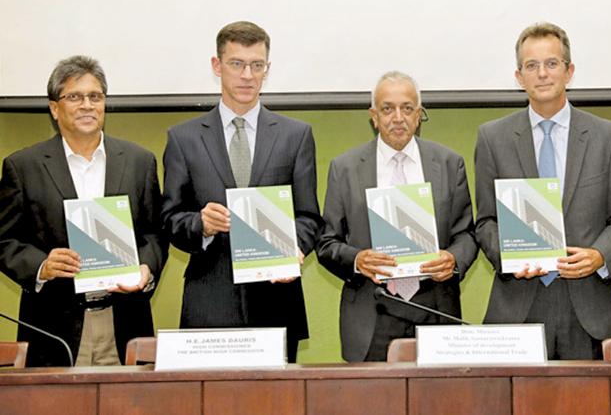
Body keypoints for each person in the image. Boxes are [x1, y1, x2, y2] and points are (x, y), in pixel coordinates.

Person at [161, 21, 322, 362]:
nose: (248, 75)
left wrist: (294, 248)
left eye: (257, 65)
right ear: (217, 66)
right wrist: (200, 225)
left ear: (267, 69)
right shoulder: (184, 139)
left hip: (277, 301)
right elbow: (170, 220)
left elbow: (308, 216)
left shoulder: (296, 136)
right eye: (237, 64)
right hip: (210, 302)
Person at [475, 22, 611, 359]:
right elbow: (486, 222)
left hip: (589, 306)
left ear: (569, 71)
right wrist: (509, 257)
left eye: (551, 63)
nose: (542, 74)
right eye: (531, 66)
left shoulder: (608, 137)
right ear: (519, 77)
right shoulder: (493, 138)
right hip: (519, 305)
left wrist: (599, 256)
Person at [0, 56, 164, 366]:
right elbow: (4, 241)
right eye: (75, 96)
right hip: (53, 327)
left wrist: (146, 268)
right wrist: (41, 265)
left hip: (124, 322)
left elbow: (155, 234)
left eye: (95, 96)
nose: (87, 105)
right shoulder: (23, 167)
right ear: (54, 108)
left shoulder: (139, 161)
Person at [316, 71, 477, 361]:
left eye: (407, 108)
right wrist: (357, 260)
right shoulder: (345, 168)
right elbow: (326, 243)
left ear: (419, 115)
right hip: (372, 309)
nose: (398, 117)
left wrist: (454, 260)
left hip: (435, 308)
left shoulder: (449, 164)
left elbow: (467, 234)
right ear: (373, 117)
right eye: (387, 109)